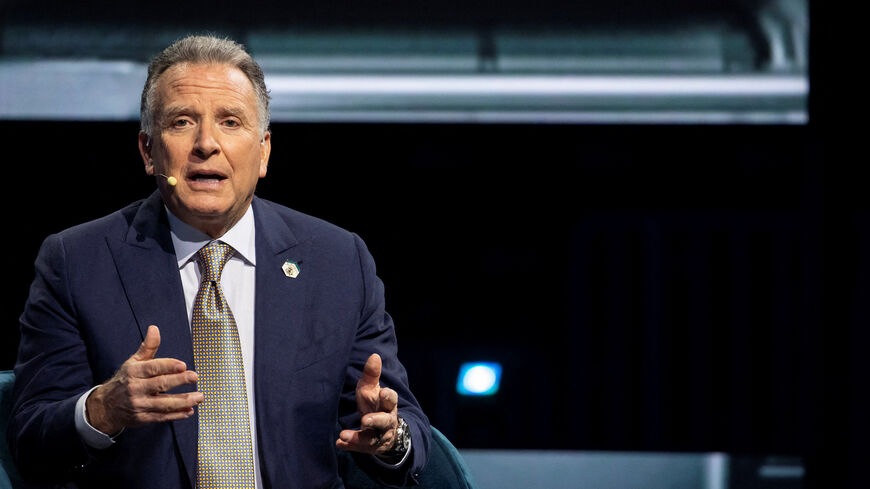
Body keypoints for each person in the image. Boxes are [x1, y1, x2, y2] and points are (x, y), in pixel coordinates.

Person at [7, 35, 430, 489]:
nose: (206, 143)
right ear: (149, 151)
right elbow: (30, 439)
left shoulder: (337, 261)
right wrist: (103, 409)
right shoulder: (77, 261)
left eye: (230, 122)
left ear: (263, 151)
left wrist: (392, 437)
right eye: (183, 122)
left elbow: (402, 425)